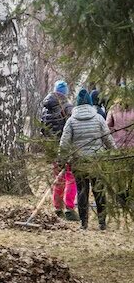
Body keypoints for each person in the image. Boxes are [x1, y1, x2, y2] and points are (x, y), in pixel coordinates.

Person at [60, 89, 116, 230]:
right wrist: (114, 153)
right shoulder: (98, 118)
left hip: (79, 162)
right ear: (90, 103)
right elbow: (108, 139)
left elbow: (64, 142)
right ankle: (102, 222)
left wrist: (62, 158)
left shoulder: (71, 121)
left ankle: (83, 223)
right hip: (97, 160)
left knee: (82, 191)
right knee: (99, 191)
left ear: (77, 104)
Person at [40, 80, 77, 220]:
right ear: (65, 92)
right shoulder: (67, 107)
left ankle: (57, 207)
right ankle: (69, 208)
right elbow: (72, 127)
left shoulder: (45, 108)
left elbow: (43, 129)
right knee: (70, 176)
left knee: (58, 177)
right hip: (66, 147)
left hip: (52, 147)